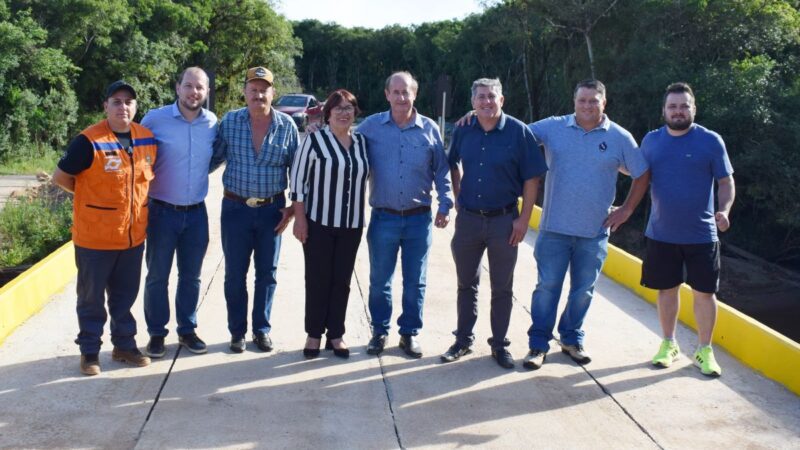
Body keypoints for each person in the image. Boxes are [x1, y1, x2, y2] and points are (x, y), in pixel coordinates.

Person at [523, 79, 650, 370]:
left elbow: (642, 173)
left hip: (594, 233)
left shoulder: (619, 137)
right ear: (574, 101)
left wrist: (627, 209)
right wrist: (477, 115)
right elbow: (515, 134)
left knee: (584, 290)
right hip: (554, 229)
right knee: (547, 288)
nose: (587, 106)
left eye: (594, 101)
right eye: (582, 100)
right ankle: (538, 345)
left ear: (604, 103)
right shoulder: (554, 127)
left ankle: (571, 338)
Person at [441, 78, 547, 369]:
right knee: (466, 284)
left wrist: (523, 220)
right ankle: (462, 340)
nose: (486, 102)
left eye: (492, 96)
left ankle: (499, 345)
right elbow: (451, 162)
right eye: (481, 97)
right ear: (473, 102)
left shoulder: (518, 132)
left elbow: (532, 178)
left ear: (502, 100)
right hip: (469, 221)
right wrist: (458, 195)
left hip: (504, 221)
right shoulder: (463, 129)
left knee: (502, 287)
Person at [52, 80, 156, 375]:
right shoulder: (88, 141)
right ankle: (89, 353)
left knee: (125, 297)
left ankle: (124, 345)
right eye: (117, 101)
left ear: (135, 107)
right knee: (91, 299)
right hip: (94, 239)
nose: (123, 107)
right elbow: (61, 177)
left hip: (133, 237)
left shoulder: (147, 138)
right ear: (106, 106)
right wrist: (88, 199)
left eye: (129, 102)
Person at [641, 82, 735, 377]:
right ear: (664, 111)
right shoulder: (651, 141)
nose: (678, 111)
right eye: (673, 106)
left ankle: (704, 350)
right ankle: (668, 344)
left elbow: (726, 182)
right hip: (661, 233)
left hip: (702, 234)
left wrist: (725, 210)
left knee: (704, 293)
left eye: (684, 106)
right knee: (666, 291)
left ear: (694, 108)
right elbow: (636, 174)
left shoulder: (710, 141)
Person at [357, 71, 454, 358]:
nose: (401, 97)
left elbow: (442, 170)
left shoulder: (429, 129)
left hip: (418, 219)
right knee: (380, 280)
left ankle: (409, 334)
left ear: (415, 93)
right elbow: (344, 147)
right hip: (383, 217)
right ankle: (379, 331)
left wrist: (446, 203)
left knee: (415, 281)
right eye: (395, 92)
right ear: (387, 94)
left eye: (406, 92)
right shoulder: (371, 127)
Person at [210, 66, 298, 353]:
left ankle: (261, 330)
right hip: (235, 209)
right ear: (245, 92)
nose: (258, 94)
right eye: (253, 89)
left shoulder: (287, 126)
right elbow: (212, 159)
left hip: (272, 211)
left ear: (273, 93)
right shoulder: (230, 122)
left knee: (267, 273)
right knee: (235, 274)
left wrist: (294, 210)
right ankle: (237, 332)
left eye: (264, 89)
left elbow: (297, 173)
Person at [141, 67, 217, 358]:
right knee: (157, 275)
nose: (193, 92)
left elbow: (214, 158)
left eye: (199, 87)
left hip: (196, 213)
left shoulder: (211, 123)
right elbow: (139, 157)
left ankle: (187, 329)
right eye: (188, 86)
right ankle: (156, 334)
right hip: (161, 212)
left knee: (191, 277)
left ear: (206, 92)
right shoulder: (155, 119)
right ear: (177, 88)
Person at [290, 89, 369, 359]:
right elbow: (298, 184)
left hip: (351, 224)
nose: (345, 112)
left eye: (350, 107)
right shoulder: (313, 141)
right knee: (317, 279)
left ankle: (336, 334)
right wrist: (300, 220)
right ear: (328, 113)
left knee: (342, 281)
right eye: (339, 108)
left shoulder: (361, 143)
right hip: (319, 223)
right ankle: (314, 334)